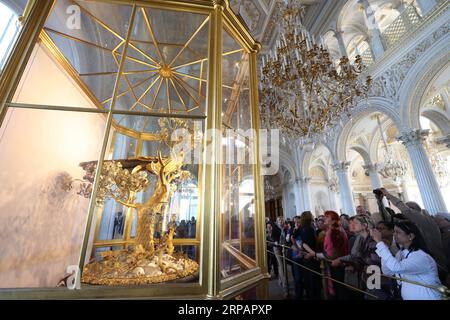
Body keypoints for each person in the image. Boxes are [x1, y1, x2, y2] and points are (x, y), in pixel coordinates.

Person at [378, 188, 448, 280]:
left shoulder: (426, 221)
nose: (405, 214)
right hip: (421, 267)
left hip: (436, 264)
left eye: (408, 211)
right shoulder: (411, 225)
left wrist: (388, 195)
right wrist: (379, 201)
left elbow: (405, 210)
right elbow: (388, 221)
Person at [371, 220, 442, 300]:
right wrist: (385, 248)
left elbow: (396, 267)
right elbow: (388, 271)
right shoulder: (401, 253)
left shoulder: (420, 256)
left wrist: (380, 243)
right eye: (394, 232)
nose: (394, 234)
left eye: (398, 232)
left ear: (410, 236)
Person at [305, 210, 349, 299]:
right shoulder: (336, 230)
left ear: (333, 221)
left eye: (327, 217)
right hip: (339, 263)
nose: (324, 218)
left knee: (338, 291)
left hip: (337, 265)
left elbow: (331, 255)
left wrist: (314, 254)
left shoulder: (333, 232)